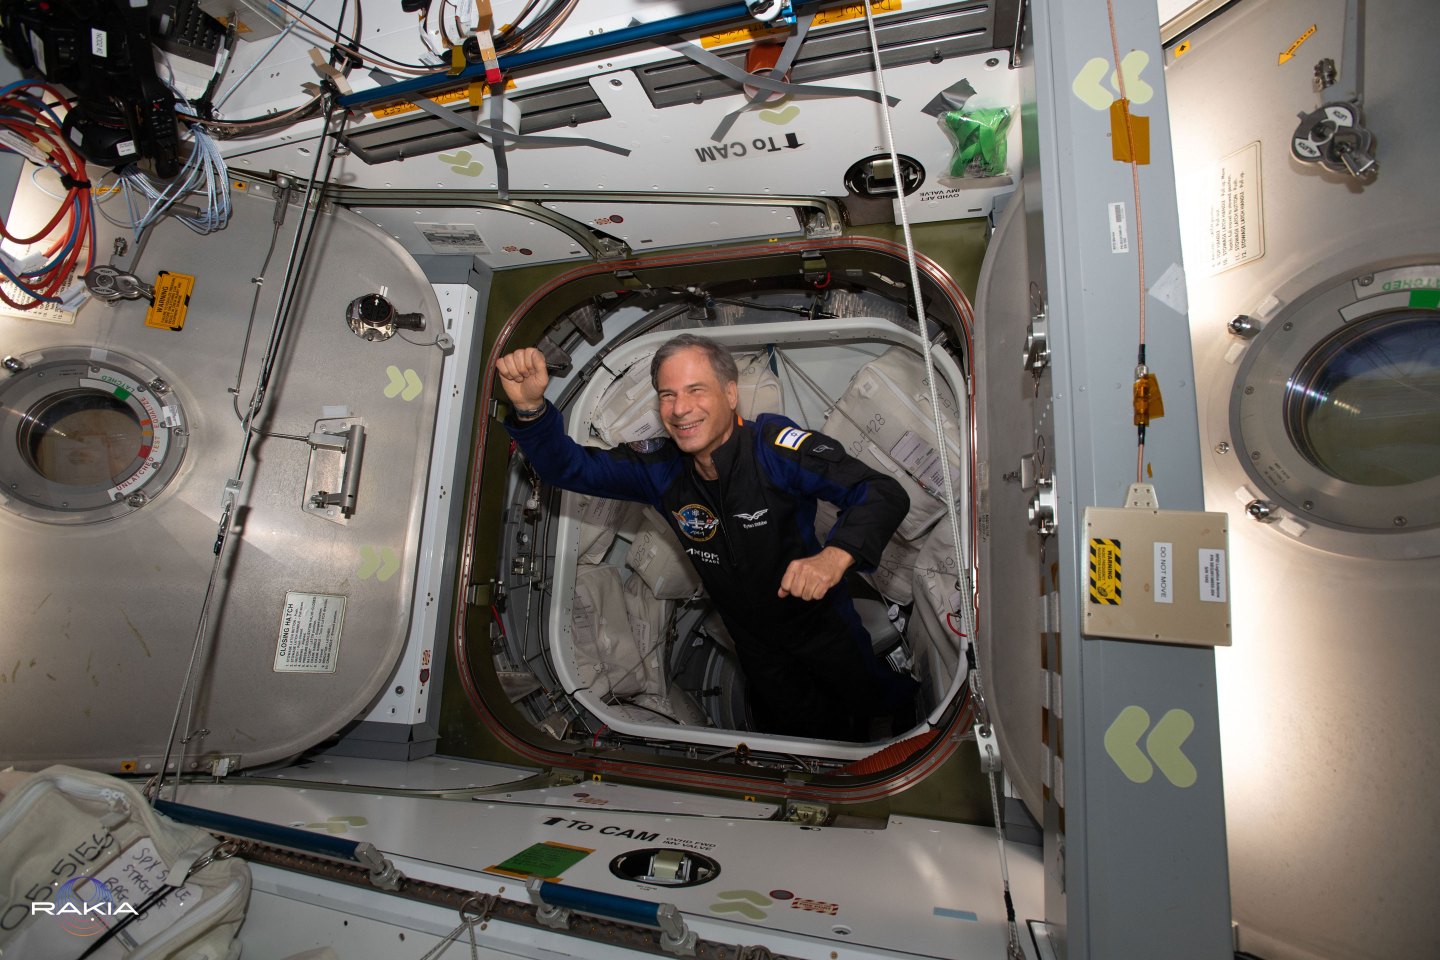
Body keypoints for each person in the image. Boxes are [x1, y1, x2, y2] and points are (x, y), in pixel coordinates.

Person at [497, 334, 918, 741]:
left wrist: (835, 556)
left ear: (730, 394)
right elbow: (569, 468)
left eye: (696, 390)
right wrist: (531, 410)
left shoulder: (774, 451)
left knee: (872, 696)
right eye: (668, 395)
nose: (681, 409)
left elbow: (880, 492)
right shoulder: (660, 468)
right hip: (753, 642)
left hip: (820, 623)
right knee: (804, 727)